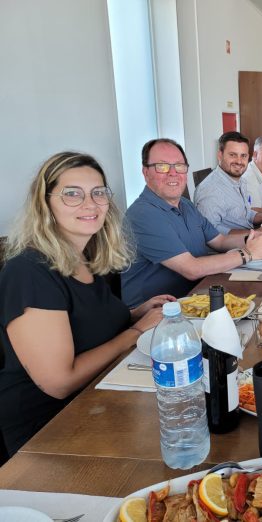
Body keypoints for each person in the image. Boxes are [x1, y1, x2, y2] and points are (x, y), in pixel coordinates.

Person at [0, 152, 173, 458]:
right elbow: (60, 383)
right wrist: (135, 331)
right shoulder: (29, 271)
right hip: (49, 431)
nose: (90, 204)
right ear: (45, 203)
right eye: (72, 194)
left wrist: (136, 313)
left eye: (98, 193)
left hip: (102, 395)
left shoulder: (89, 256)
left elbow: (85, 323)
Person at [122, 138, 262, 307]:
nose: (173, 173)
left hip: (198, 295)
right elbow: (191, 269)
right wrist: (248, 253)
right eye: (162, 166)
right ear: (146, 172)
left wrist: (256, 238)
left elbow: (220, 241)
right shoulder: (143, 214)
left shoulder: (185, 204)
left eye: (179, 166)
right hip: (159, 313)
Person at [195, 132, 262, 233]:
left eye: (243, 156)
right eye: (232, 155)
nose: (239, 161)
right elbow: (210, 233)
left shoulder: (240, 181)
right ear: (220, 155)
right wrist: (255, 234)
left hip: (249, 235)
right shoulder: (210, 189)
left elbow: (247, 214)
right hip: (238, 241)